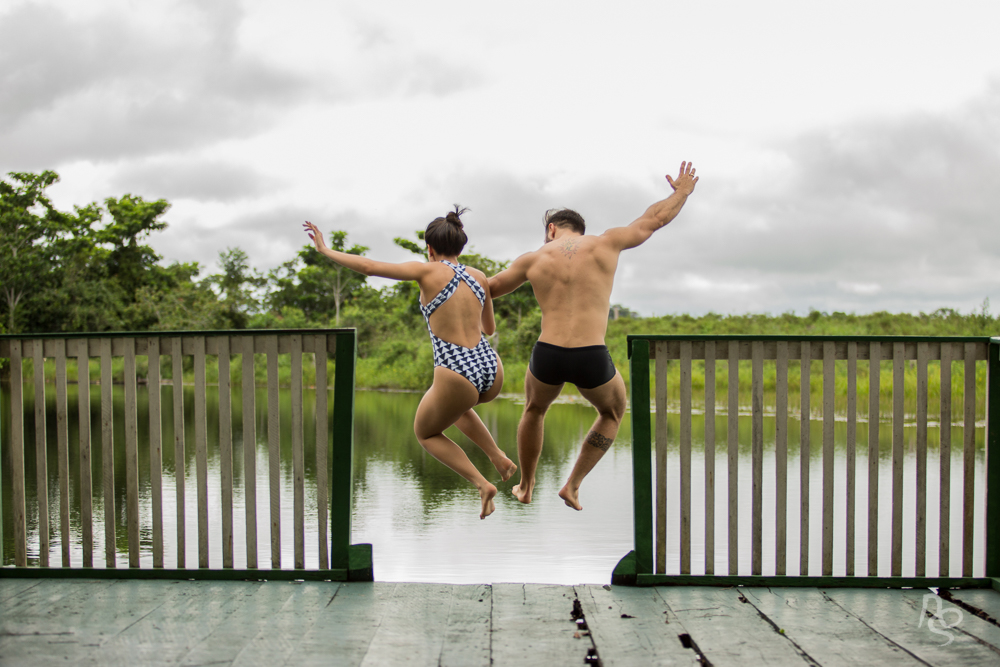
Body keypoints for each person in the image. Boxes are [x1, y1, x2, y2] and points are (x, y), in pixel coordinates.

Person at [488, 161, 699, 510]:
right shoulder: (606, 243)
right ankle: (572, 484)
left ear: (551, 229)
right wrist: (681, 192)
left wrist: (443, 271)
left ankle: (526, 485)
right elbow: (654, 220)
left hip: (548, 353)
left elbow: (490, 289)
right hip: (591, 355)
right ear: (581, 231)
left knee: (535, 409)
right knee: (613, 412)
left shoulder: (531, 259)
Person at [304, 208, 516, 519]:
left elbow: (369, 267)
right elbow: (490, 329)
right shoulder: (479, 277)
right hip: (489, 366)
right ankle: (498, 456)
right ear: (461, 247)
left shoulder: (427, 271)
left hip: (456, 370)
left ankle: (483, 484)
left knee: (425, 433)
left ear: (429, 249)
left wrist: (324, 248)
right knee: (455, 410)